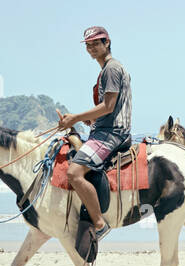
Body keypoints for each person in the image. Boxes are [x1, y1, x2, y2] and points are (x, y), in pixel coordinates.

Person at [54, 26, 131, 242]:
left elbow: (108, 106)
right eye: (88, 45)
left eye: (96, 43)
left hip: (112, 134)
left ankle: (99, 223)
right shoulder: (106, 70)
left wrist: (76, 118)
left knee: (73, 173)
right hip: (104, 129)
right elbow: (107, 110)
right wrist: (90, 119)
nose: (91, 48)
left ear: (107, 42)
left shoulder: (111, 69)